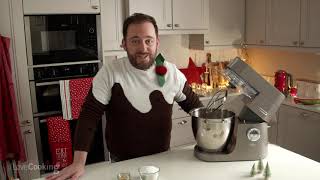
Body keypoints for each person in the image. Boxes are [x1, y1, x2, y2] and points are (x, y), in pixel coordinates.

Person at [46, 13, 202, 180]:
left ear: (157, 42)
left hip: (161, 162)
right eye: (135, 40)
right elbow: (89, 116)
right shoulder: (110, 73)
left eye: (148, 40)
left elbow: (198, 110)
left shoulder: (171, 73)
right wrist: (78, 163)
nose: (143, 48)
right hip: (121, 166)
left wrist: (214, 143)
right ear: (124, 44)